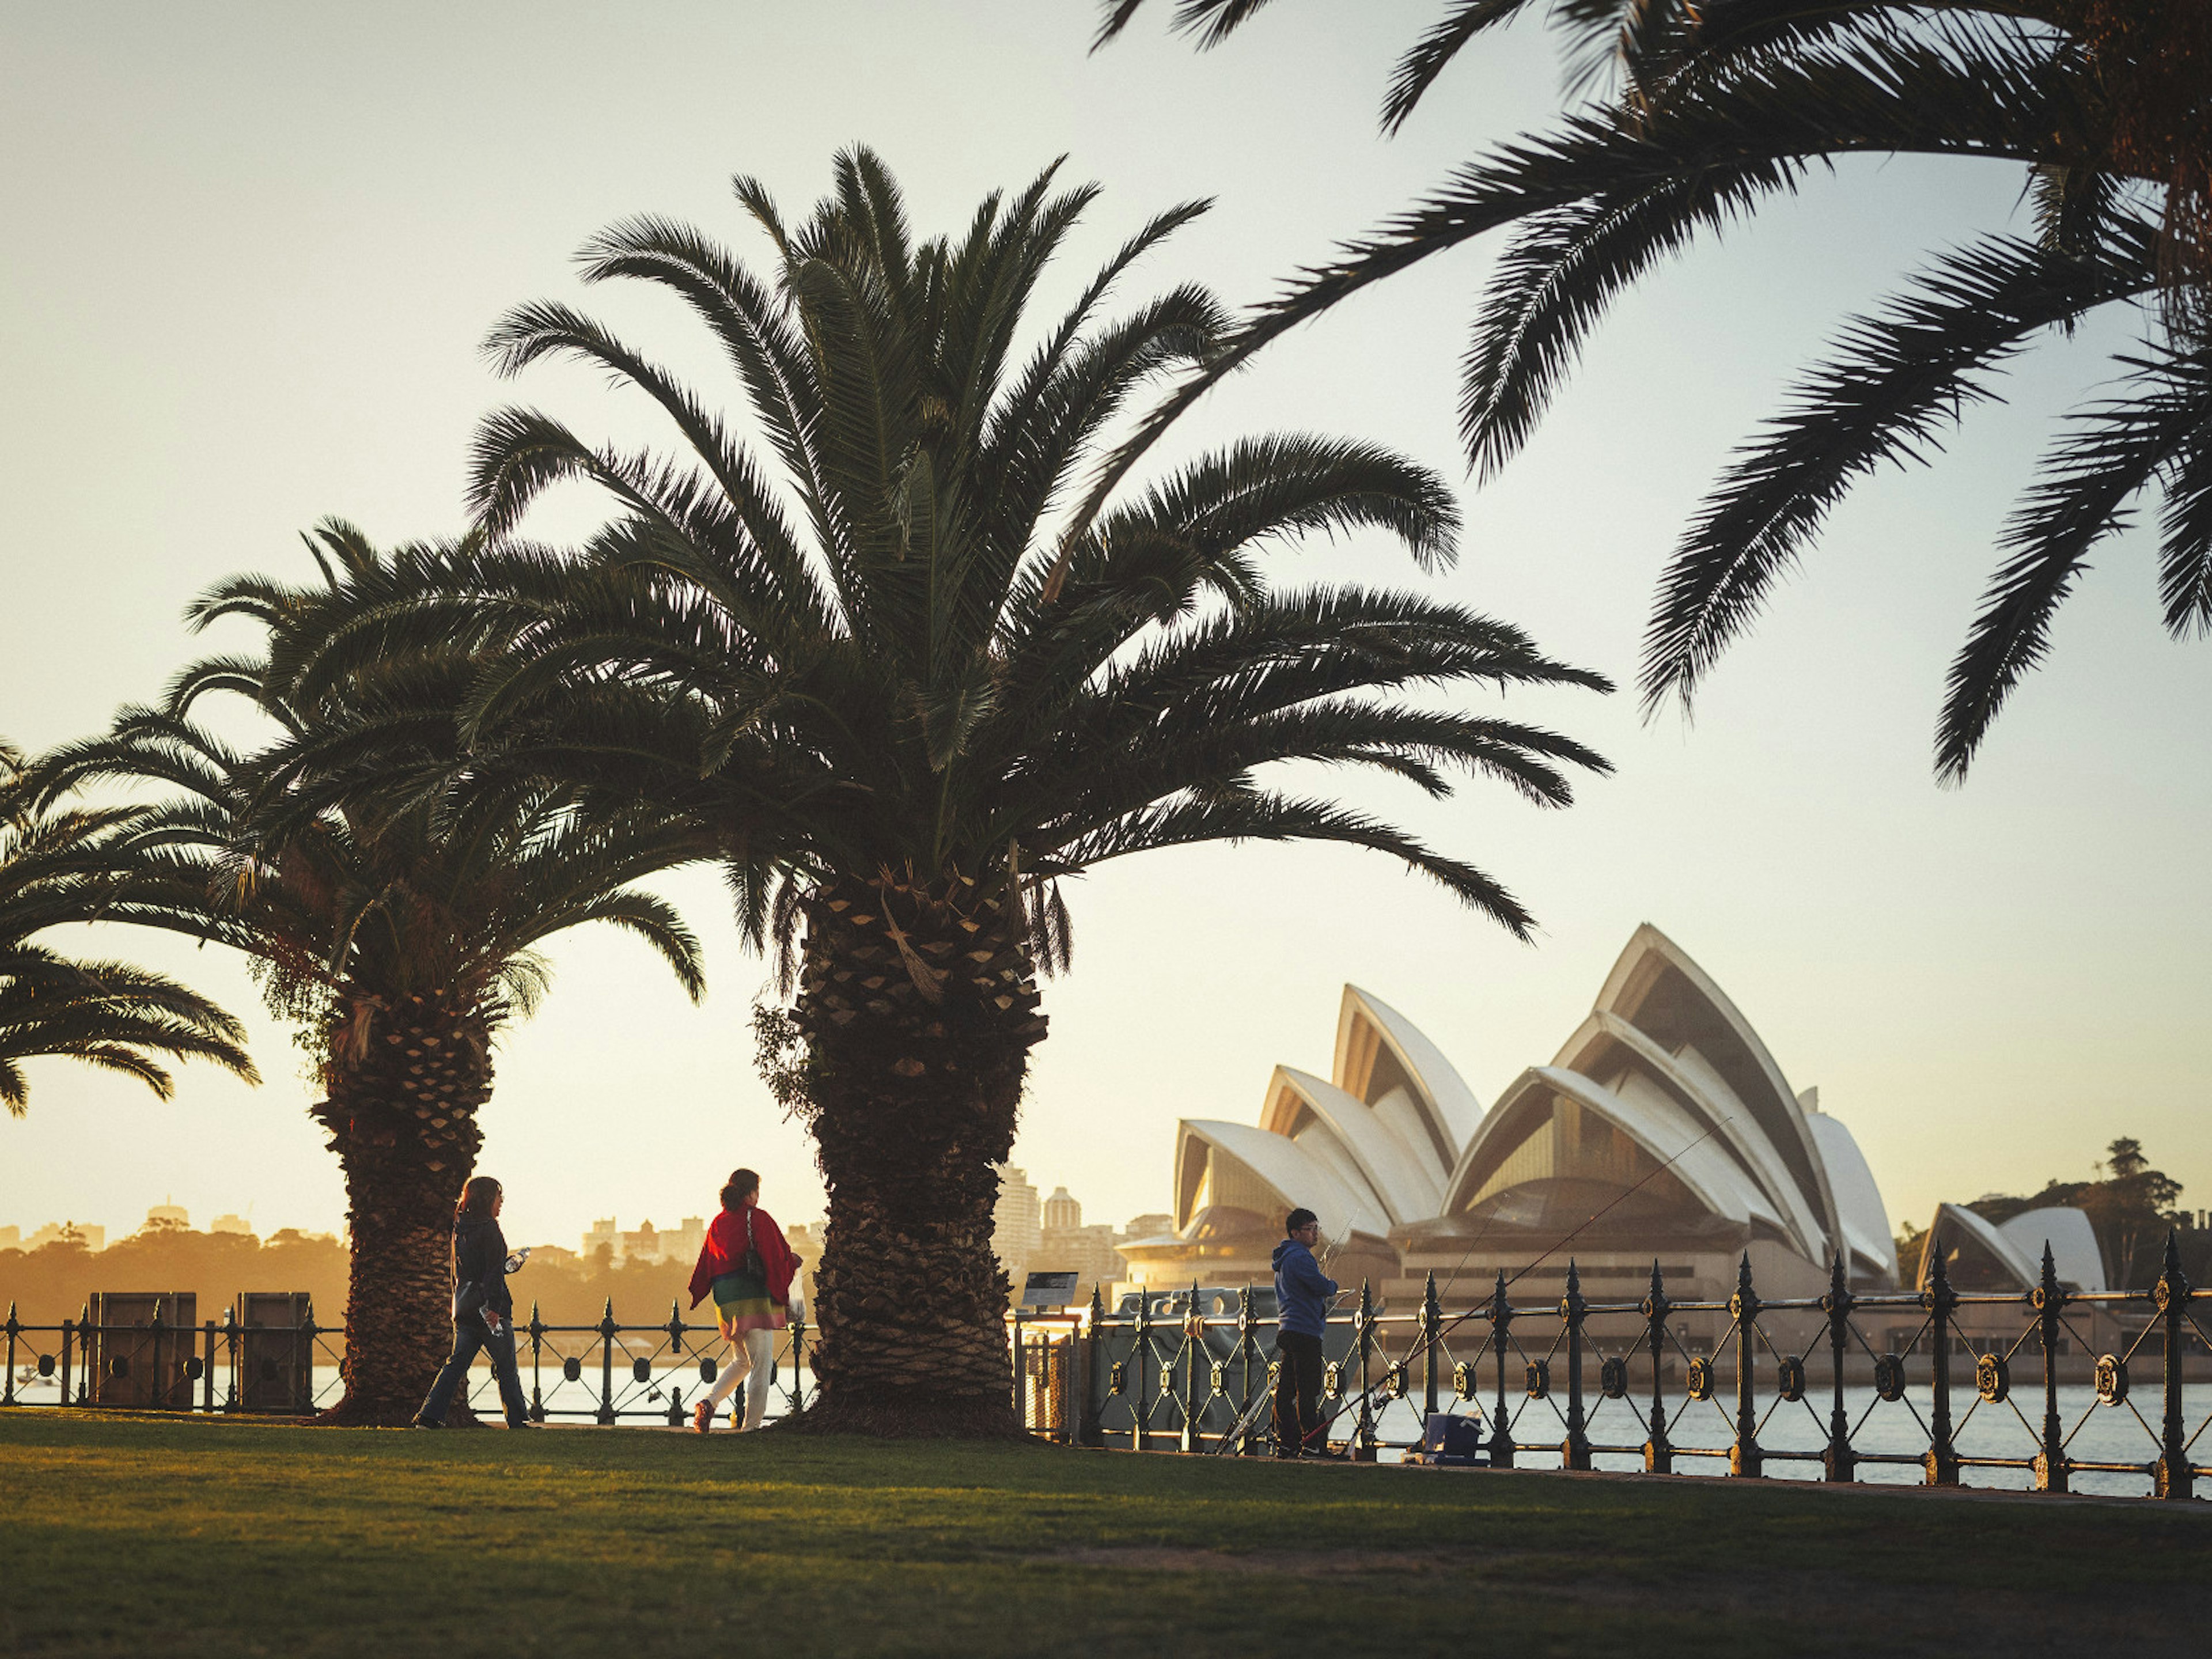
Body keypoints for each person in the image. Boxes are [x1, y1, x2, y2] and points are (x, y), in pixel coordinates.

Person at [414, 1175, 532, 1429]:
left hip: (465, 1308)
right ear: (489, 1198)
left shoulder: (460, 1228)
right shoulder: (490, 1229)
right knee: (506, 1366)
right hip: (490, 1312)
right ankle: (518, 1420)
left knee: (455, 1365)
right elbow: (491, 1273)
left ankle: (429, 1416)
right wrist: (495, 1309)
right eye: (500, 1197)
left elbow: (468, 1271)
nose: (502, 1203)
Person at [687, 1169, 800, 1433]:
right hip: (753, 1302)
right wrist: (792, 1264)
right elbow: (775, 1257)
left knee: (743, 1361)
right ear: (751, 1193)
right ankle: (751, 1427)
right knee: (761, 1364)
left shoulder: (717, 1223)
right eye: (757, 1192)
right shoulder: (757, 1219)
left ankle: (708, 1402)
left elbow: (707, 1263)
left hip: (727, 1305)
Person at [1271, 1206, 1338, 1459]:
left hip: (1288, 1329)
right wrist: (1332, 1285)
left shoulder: (1284, 1258)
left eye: (1317, 1229)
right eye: (1311, 1230)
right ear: (1296, 1233)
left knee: (1286, 1391)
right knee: (1307, 1390)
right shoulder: (1300, 1257)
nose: (1316, 1234)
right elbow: (1321, 1286)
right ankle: (1310, 1443)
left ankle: (1286, 1443)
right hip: (1305, 1331)